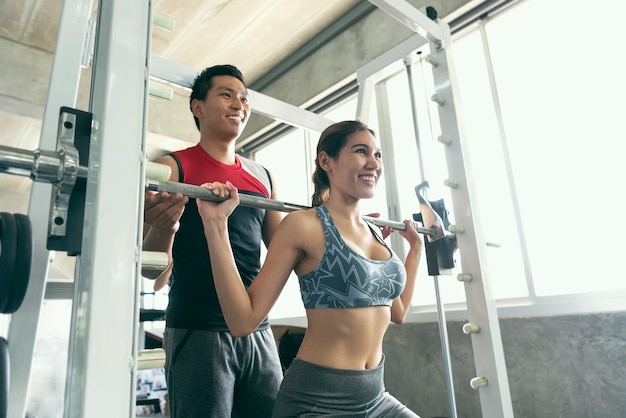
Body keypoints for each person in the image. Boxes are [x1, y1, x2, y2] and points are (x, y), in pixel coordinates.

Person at [196, 120, 424, 417]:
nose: (373, 163)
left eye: (377, 155)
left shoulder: (373, 233)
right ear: (326, 160)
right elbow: (244, 320)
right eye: (361, 151)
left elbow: (397, 312)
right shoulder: (303, 226)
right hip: (318, 401)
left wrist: (416, 250)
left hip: (376, 397)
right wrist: (216, 226)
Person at [142, 64, 284, 418]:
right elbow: (151, 273)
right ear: (198, 107)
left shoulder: (263, 177)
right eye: (226, 94)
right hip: (197, 328)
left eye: (244, 98)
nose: (239, 104)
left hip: (258, 330)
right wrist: (164, 228)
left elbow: (285, 249)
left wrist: (342, 227)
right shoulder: (172, 168)